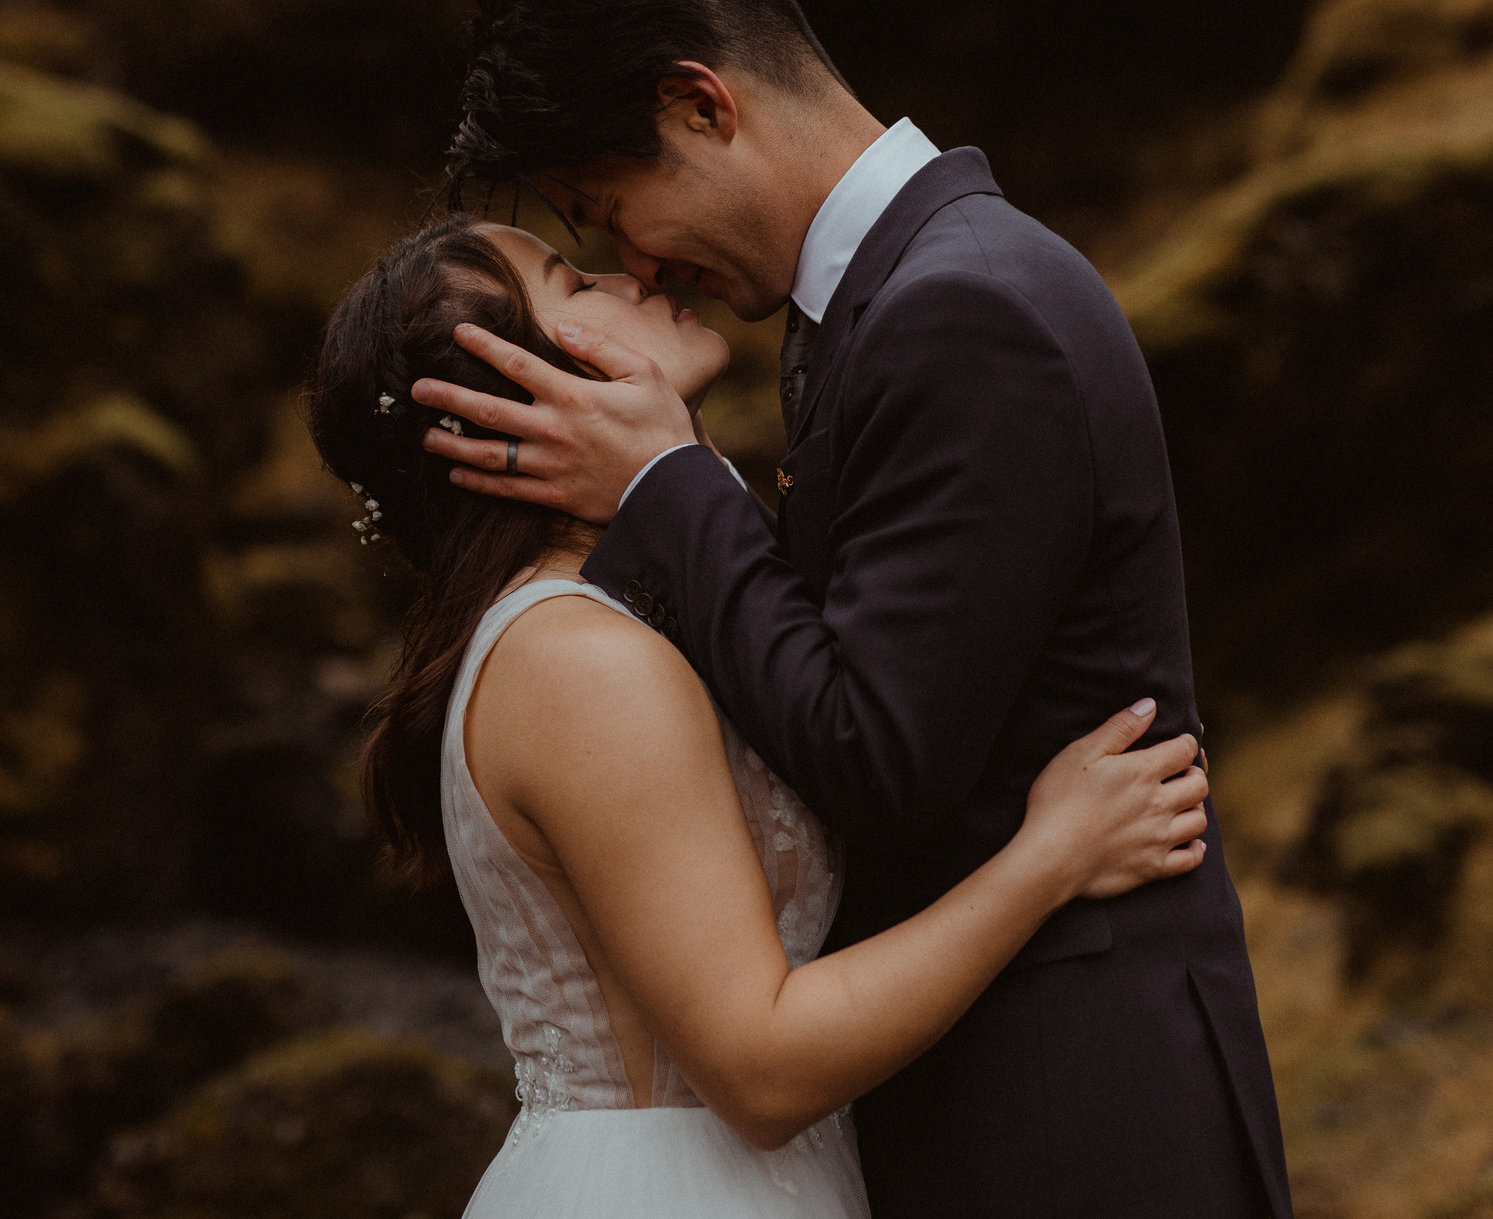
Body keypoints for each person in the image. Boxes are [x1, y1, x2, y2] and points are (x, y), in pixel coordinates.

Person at [411, 0, 1293, 1219]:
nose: (637, 259)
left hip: (1073, 1105)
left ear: (702, 103)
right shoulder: (891, 301)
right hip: (987, 1081)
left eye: (611, 204)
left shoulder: (963, 308)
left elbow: (881, 752)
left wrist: (661, 482)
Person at [310, 214, 1215, 1218]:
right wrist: (1049, 859)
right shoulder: (579, 663)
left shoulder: (627, 615)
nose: (628, 273)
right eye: (571, 280)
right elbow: (761, 1068)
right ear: (523, 394)